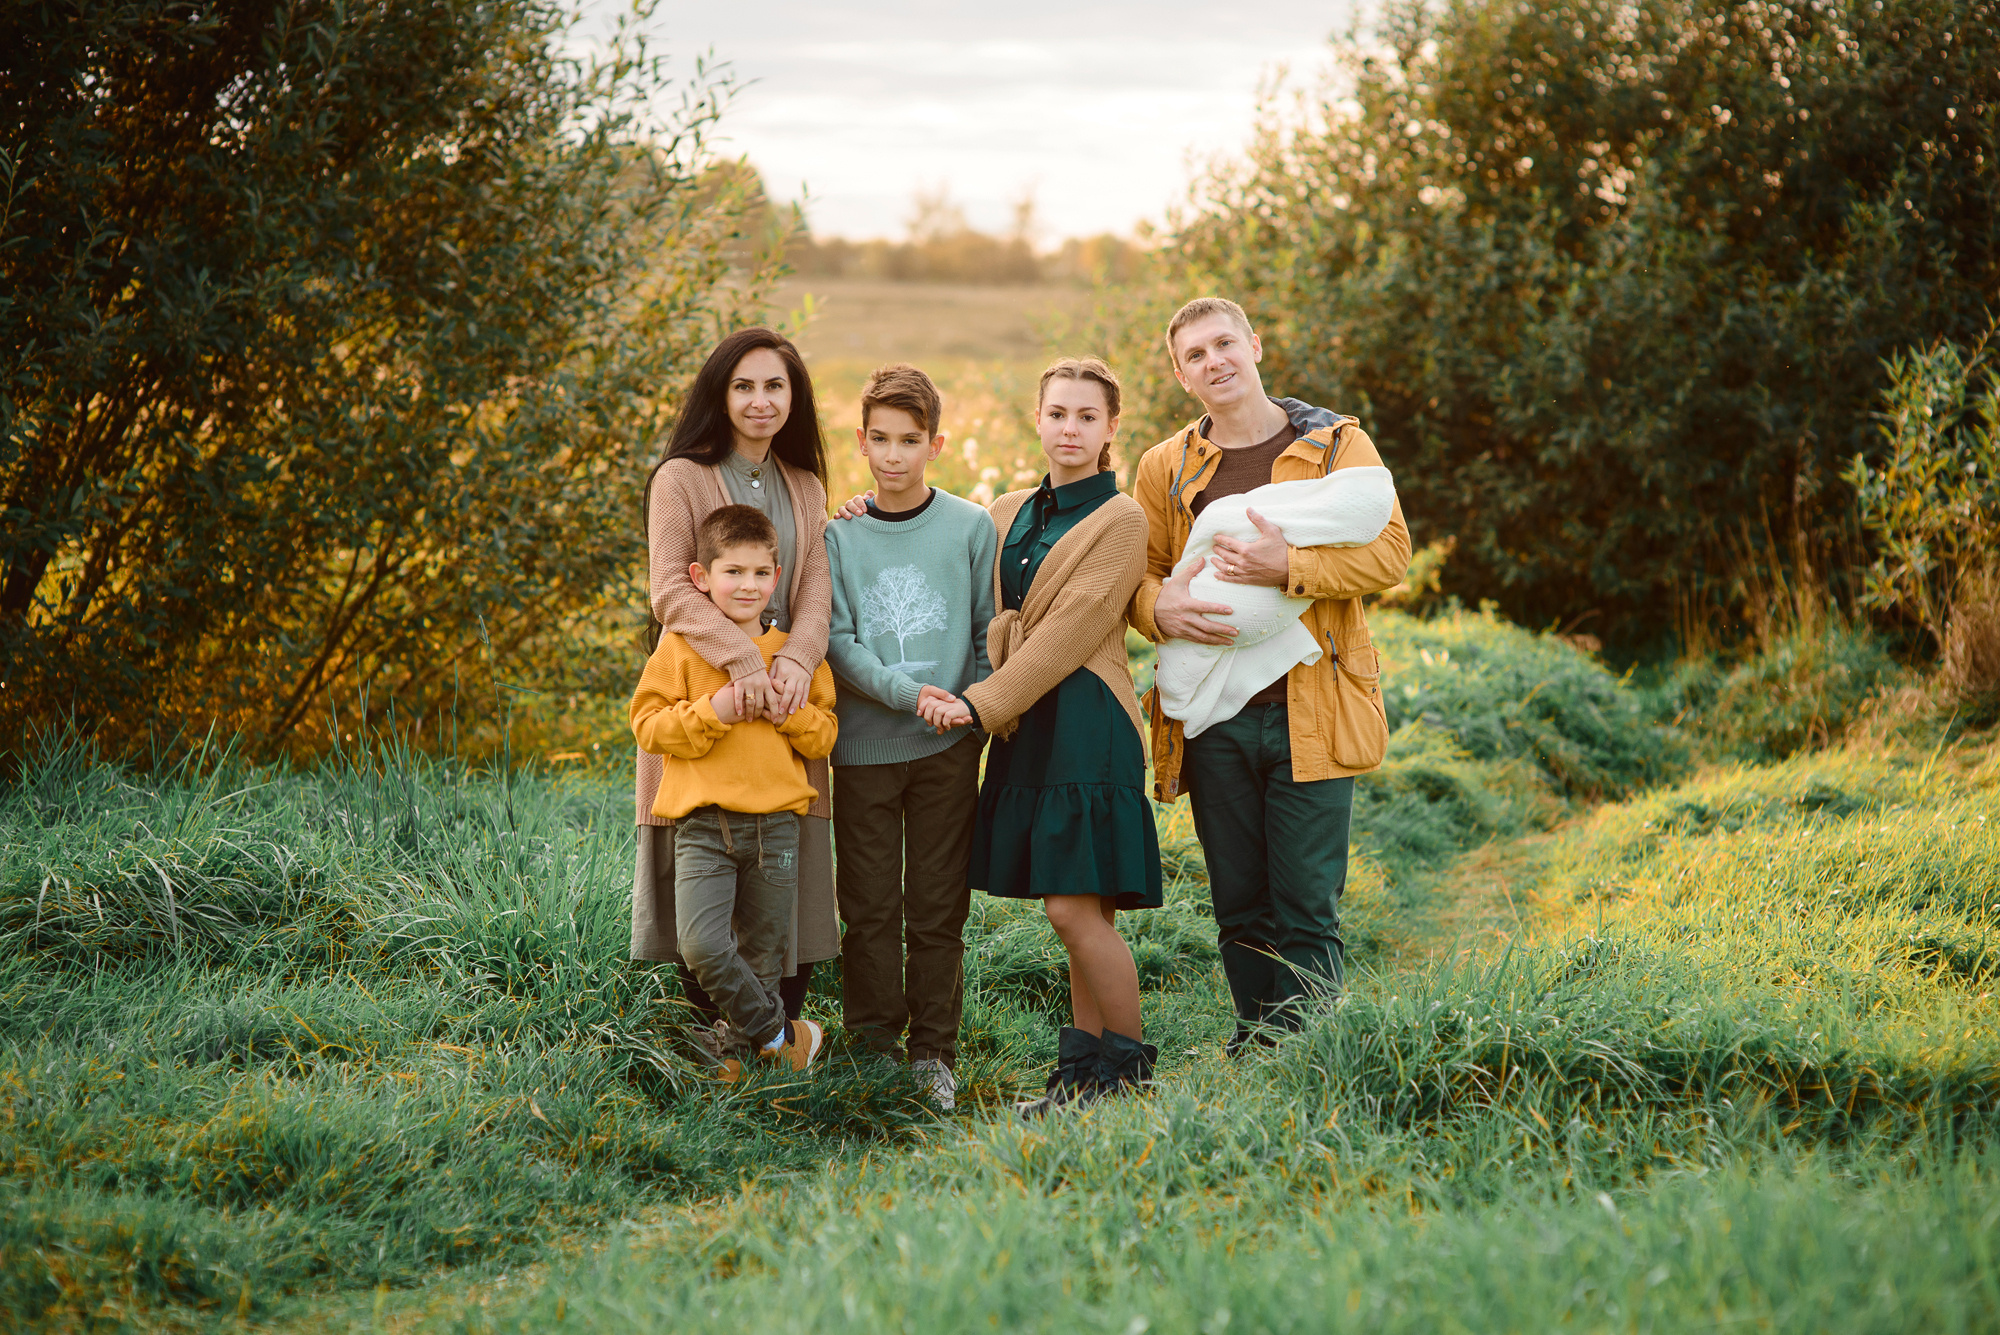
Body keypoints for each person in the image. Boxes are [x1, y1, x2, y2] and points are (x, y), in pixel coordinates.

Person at [1127, 297, 1411, 1050]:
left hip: (1315, 701)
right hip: (1214, 711)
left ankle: (1310, 1053)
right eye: (1195, 355)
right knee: (1239, 902)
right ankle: (1257, 1043)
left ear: (1254, 345)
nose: (1214, 361)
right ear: (1182, 376)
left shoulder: (1335, 444)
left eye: (1224, 343)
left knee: (1307, 902)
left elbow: (1391, 552)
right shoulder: (1165, 465)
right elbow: (1139, 573)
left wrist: (1289, 565)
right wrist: (1159, 608)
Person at [945, 357, 1162, 1113]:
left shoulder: (1122, 519)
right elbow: (951, 567)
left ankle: (1128, 1076)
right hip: (1029, 726)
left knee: (1071, 911)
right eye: (1058, 413)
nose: (1070, 429)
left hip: (1087, 722)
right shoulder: (1005, 510)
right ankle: (1080, 1079)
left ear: (1110, 428)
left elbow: (1070, 631)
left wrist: (981, 704)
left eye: (1087, 416)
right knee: (1082, 917)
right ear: (1037, 419)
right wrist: (864, 511)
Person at [632, 328, 839, 1035]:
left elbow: (815, 594)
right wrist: (743, 660)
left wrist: (794, 662)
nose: (760, 400)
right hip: (706, 694)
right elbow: (670, 589)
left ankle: (773, 1037)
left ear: (794, 396)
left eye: (775, 385)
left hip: (786, 704)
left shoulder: (806, 485)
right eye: (743, 386)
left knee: (780, 872)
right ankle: (721, 1032)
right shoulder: (681, 478)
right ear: (719, 395)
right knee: (701, 887)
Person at [822, 364, 997, 1112]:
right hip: (863, 750)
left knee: (936, 905)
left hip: (946, 750)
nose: (894, 455)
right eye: (881, 439)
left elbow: (990, 631)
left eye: (910, 440)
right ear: (861, 441)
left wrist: (972, 715)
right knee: (867, 906)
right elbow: (837, 640)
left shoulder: (970, 526)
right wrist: (905, 692)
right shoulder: (839, 534)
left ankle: (933, 1053)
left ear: (936, 444)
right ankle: (871, 1047)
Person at [629, 505, 838, 1075]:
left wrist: (787, 713)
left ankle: (743, 1067)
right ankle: (785, 1034)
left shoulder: (795, 658)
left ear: (777, 577)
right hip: (703, 827)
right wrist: (714, 711)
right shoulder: (680, 648)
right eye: (733, 572)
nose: (748, 585)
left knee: (764, 957)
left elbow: (824, 736)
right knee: (701, 946)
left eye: (760, 573)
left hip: (777, 829)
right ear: (701, 577)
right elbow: (648, 727)